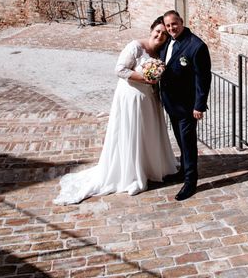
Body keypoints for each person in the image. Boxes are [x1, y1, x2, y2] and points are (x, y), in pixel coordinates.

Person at [54, 16, 177, 205]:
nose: (160, 35)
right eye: (157, 31)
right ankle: (131, 173)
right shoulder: (136, 46)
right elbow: (119, 70)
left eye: (164, 33)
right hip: (130, 98)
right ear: (151, 29)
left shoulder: (161, 51)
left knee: (147, 133)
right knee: (132, 133)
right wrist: (145, 78)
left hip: (149, 99)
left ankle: (148, 167)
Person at [160, 10, 211, 201]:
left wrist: (199, 105)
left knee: (188, 143)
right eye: (168, 25)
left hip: (188, 106)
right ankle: (183, 171)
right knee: (180, 140)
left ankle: (191, 181)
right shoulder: (167, 41)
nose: (172, 28)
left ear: (182, 22)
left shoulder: (196, 46)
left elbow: (203, 79)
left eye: (175, 24)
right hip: (171, 103)